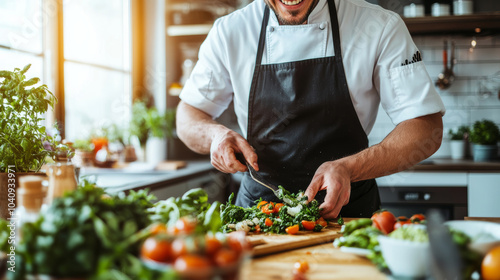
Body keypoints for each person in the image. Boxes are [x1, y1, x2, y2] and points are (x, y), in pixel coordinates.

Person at [176, 0, 445, 219]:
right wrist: (215, 136)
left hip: (349, 216)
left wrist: (349, 169)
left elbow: (426, 127)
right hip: (259, 217)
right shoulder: (230, 31)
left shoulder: (378, 26)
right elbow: (188, 116)